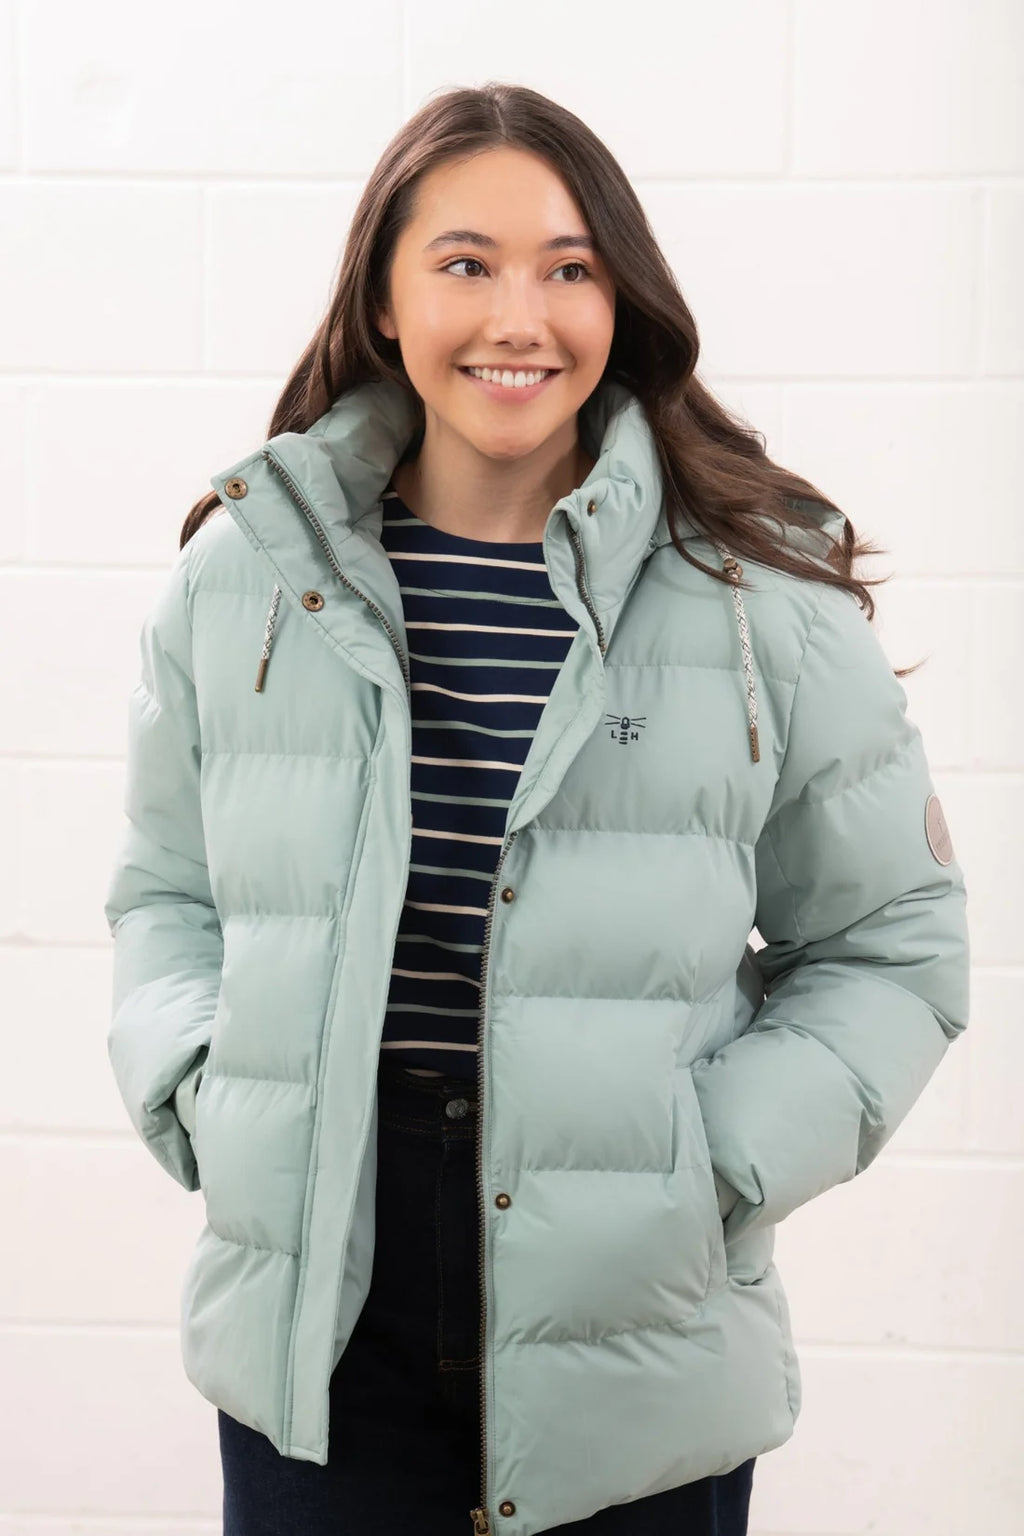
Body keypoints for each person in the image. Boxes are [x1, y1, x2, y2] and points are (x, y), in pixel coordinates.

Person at [103, 83, 970, 1536]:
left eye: (570, 268)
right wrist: (205, 1090)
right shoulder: (248, 573)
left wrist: (714, 1165)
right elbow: (165, 894)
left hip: (639, 1315)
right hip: (324, 1302)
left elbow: (894, 938)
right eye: (465, 264)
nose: (522, 315)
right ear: (384, 298)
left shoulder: (762, 597)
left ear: (620, 298)